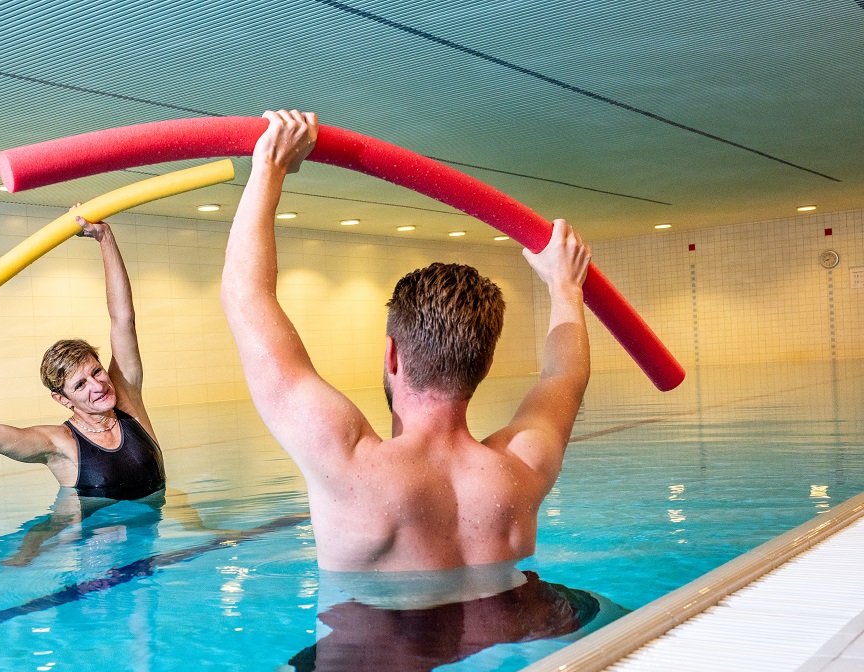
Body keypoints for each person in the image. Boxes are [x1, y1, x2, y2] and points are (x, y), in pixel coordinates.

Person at [220, 109, 593, 572]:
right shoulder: (522, 469)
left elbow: (245, 295)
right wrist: (567, 287)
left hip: (375, 645)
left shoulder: (348, 465)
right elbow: (565, 377)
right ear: (484, 364)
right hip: (516, 629)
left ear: (392, 354)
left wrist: (269, 167)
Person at [0, 213, 164, 501]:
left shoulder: (129, 400)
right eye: (79, 385)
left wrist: (106, 238)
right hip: (90, 540)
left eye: (96, 372)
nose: (98, 386)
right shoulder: (59, 444)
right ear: (62, 399)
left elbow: (123, 319)